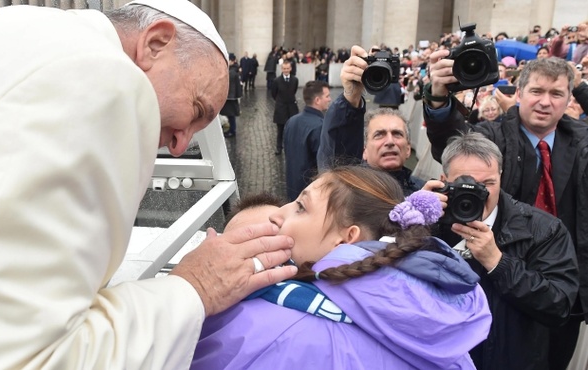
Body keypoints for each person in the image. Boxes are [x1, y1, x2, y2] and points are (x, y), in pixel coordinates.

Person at [0, 1, 297, 369]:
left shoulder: (6, 27)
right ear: (156, 43)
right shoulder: (103, 77)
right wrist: (195, 287)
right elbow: (35, 357)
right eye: (197, 110)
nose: (178, 146)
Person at [192, 166, 492, 370]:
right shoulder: (442, 324)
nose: (279, 214)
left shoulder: (267, 325)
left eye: (300, 206)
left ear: (346, 238)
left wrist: (196, 286)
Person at [424, 53, 588, 369]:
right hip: (497, 270)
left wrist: (581, 87)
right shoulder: (494, 134)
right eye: (537, 91)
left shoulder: (582, 140)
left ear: (569, 99)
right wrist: (438, 97)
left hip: (563, 276)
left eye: (557, 94)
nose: (545, 102)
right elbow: (454, 143)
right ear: (518, 94)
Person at [317, 45, 425, 196]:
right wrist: (351, 97)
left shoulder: (426, 193)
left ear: (408, 149)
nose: (390, 142)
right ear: (364, 151)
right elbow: (334, 164)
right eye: (379, 135)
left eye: (397, 134)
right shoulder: (351, 192)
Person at [283, 80, 331, 201]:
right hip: (310, 192)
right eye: (327, 96)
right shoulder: (320, 126)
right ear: (317, 100)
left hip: (292, 186)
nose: (330, 99)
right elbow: (323, 164)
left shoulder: (291, 121)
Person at [271, 60, 299, 155]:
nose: (286, 70)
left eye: (287, 68)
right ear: (281, 69)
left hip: (292, 108)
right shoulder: (276, 81)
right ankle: (279, 147)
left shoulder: (295, 80)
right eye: (284, 68)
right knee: (280, 130)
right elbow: (273, 93)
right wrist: (280, 101)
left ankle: (291, 147)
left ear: (290, 69)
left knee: (292, 129)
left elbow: (293, 91)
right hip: (281, 108)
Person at [220, 53, 242, 137]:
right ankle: (232, 130)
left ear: (232, 61)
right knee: (230, 116)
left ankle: (232, 131)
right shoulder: (233, 70)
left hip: (230, 97)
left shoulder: (231, 72)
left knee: (231, 115)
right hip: (232, 97)